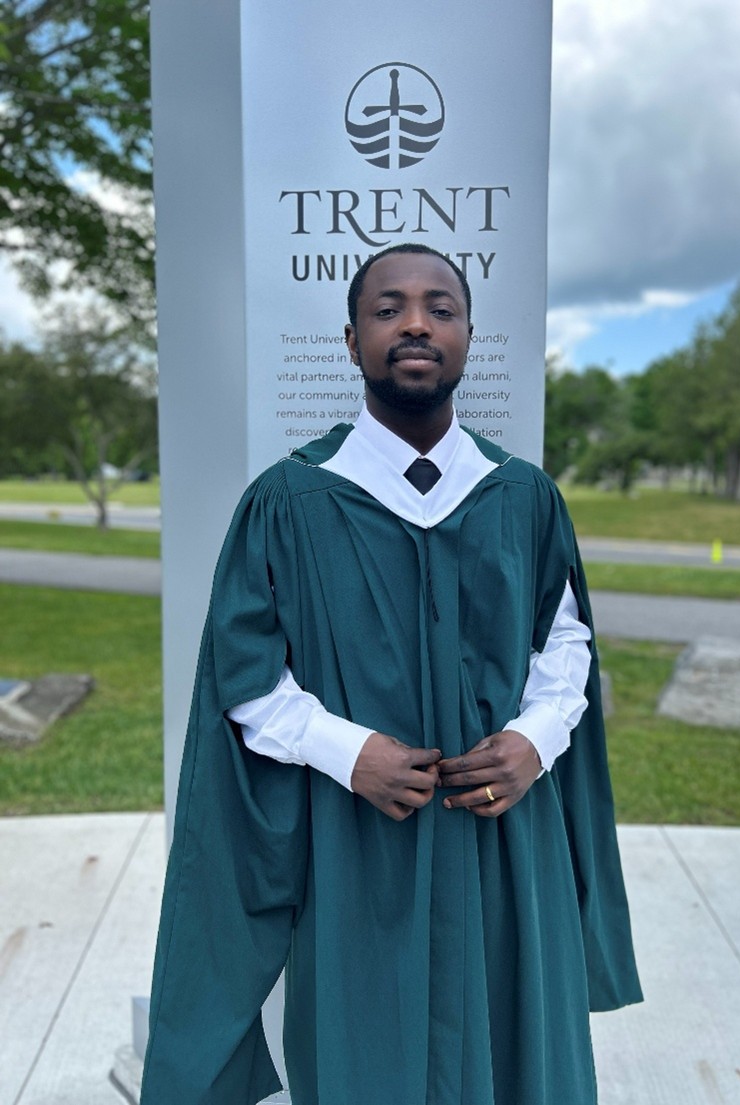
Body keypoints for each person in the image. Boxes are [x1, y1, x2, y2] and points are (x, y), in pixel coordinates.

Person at [140, 244, 642, 1105]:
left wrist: (533, 739)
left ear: (469, 336)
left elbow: (566, 644)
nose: (415, 322)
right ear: (350, 340)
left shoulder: (522, 497)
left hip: (500, 836)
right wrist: (347, 750)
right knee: (361, 1057)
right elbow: (243, 673)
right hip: (356, 844)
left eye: (439, 307)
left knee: (519, 1053)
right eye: (388, 308)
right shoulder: (289, 501)